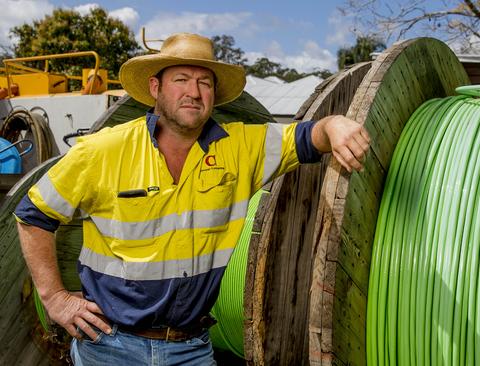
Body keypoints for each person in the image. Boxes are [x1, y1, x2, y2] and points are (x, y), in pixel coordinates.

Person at [14, 33, 370, 365]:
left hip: (192, 349)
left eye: (204, 83)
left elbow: (308, 136)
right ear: (156, 87)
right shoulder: (104, 150)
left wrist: (336, 124)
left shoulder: (242, 147)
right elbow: (33, 214)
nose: (194, 92)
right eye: (181, 80)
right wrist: (55, 299)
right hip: (110, 346)